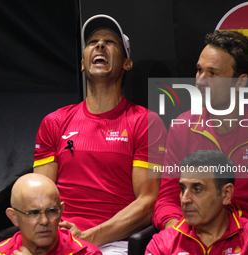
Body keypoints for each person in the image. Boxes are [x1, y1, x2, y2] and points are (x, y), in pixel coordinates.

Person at [152, 30, 248, 255]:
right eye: (199, 70)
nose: (200, 81)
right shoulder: (182, 126)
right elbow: (167, 199)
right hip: (197, 235)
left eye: (213, 73)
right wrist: (178, 231)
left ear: (240, 82)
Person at [33, 14, 167, 254]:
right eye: (92, 42)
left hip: (112, 243)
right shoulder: (53, 122)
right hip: (56, 238)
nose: (100, 45)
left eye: (110, 42)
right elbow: (38, 196)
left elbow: (148, 203)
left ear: (127, 63)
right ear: (83, 63)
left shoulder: (146, 123)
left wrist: (87, 237)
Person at [146, 150, 248, 255]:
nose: (185, 199)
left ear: (226, 194)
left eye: (197, 189)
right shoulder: (162, 243)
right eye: (182, 189)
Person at [0, 173, 101, 255]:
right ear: (14, 217)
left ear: (61, 211)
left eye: (51, 211)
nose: (44, 221)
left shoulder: (86, 253)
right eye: (33, 213)